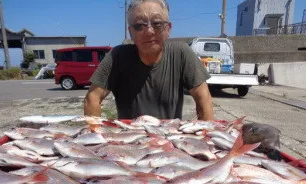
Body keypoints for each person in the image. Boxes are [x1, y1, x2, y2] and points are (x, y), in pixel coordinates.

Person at [84, 0, 214, 121]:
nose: (149, 31)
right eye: (139, 26)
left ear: (168, 28)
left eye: (157, 24)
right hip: (130, 141)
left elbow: (204, 98)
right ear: (131, 32)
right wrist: (95, 134)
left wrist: (206, 134)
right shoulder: (117, 56)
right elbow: (92, 97)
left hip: (168, 140)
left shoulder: (181, 52)